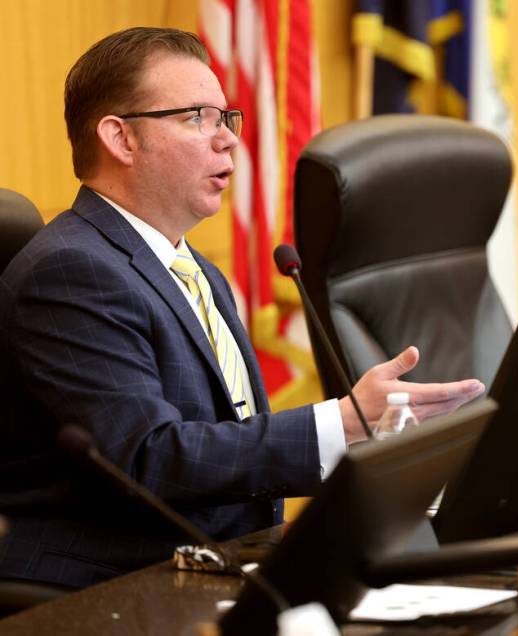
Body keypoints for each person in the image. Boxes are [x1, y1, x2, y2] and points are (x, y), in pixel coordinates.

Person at [0, 27, 485, 589]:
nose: (228, 140)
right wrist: (341, 422)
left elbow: (227, 442)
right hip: (106, 590)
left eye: (227, 118)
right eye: (196, 118)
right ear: (121, 138)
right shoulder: (71, 272)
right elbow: (149, 460)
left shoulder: (197, 271)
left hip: (214, 568)